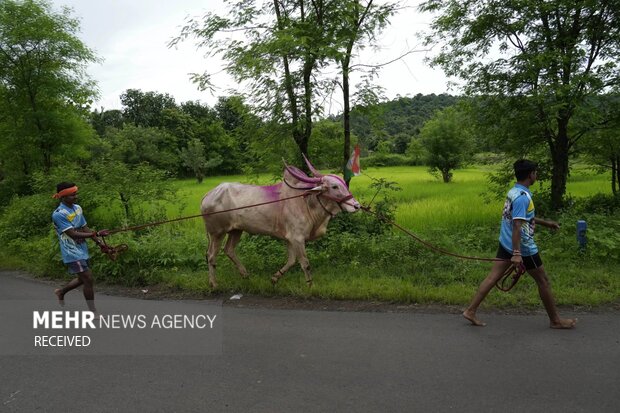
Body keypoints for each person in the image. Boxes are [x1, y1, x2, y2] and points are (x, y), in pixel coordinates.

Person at [462, 160, 576, 329]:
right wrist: (517, 253)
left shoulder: (514, 191)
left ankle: (470, 311)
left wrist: (545, 223)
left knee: (493, 277)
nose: (536, 175)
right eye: (535, 172)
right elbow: (517, 225)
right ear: (531, 174)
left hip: (506, 243)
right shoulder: (523, 197)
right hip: (523, 248)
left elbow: (521, 218)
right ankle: (556, 320)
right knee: (543, 281)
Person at [52, 182, 100, 314]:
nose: (76, 197)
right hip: (71, 251)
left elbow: (84, 227)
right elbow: (72, 233)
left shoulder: (77, 208)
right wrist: (93, 234)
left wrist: (99, 242)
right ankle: (93, 312)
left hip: (82, 248)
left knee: (82, 278)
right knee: (88, 278)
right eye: (72, 195)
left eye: (76, 194)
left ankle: (61, 292)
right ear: (63, 197)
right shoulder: (59, 214)